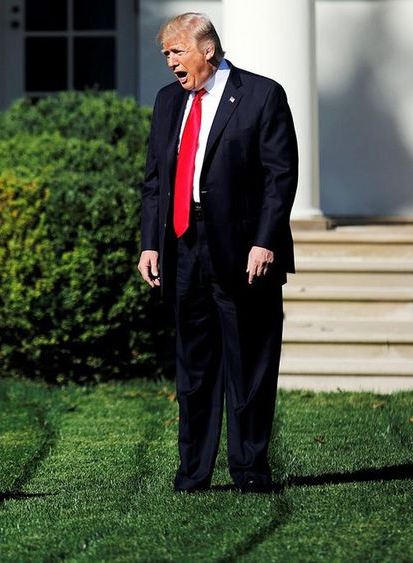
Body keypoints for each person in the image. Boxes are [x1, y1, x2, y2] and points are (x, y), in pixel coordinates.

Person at [137, 13, 297, 494]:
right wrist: (150, 243)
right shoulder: (168, 101)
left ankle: (249, 470)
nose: (170, 62)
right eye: (166, 54)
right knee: (194, 366)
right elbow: (154, 181)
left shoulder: (262, 95)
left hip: (245, 249)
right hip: (183, 245)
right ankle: (193, 474)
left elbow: (280, 177)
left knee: (248, 363)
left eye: (177, 51)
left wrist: (265, 241)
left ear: (207, 50)